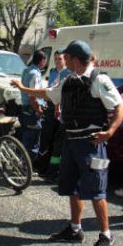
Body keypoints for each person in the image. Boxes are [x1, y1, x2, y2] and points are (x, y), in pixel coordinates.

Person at [10, 40, 123, 246]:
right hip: (72, 141)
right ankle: (75, 229)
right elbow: (49, 93)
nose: (63, 60)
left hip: (91, 143)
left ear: (74, 59)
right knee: (72, 187)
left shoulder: (98, 79)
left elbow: (120, 106)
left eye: (67, 57)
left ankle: (106, 236)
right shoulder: (69, 80)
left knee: (96, 191)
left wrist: (109, 132)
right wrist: (24, 89)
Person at [37, 50, 71, 178]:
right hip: (51, 107)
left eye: (60, 59)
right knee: (47, 139)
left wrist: (58, 107)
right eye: (56, 58)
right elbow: (49, 89)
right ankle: (44, 168)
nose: (57, 61)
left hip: (61, 109)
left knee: (58, 142)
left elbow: (61, 94)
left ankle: (53, 171)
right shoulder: (53, 72)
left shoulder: (69, 73)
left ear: (65, 60)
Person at [18, 50, 48, 165]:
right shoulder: (34, 74)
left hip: (25, 110)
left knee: (26, 138)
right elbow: (32, 96)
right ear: (42, 61)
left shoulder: (27, 70)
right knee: (32, 140)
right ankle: (27, 166)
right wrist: (39, 109)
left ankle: (22, 164)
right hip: (32, 111)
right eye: (45, 60)